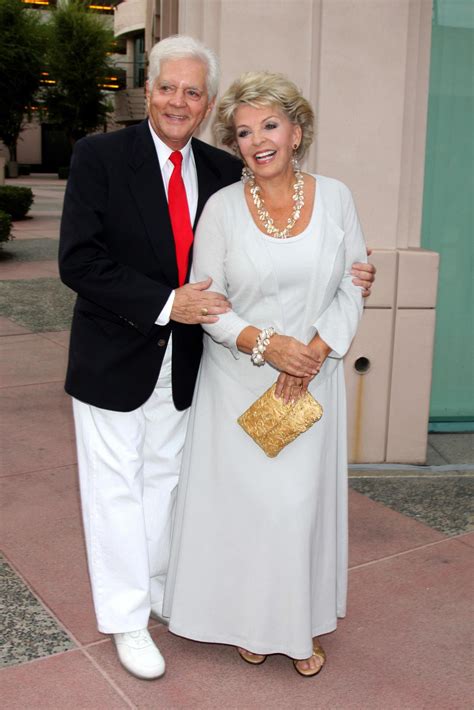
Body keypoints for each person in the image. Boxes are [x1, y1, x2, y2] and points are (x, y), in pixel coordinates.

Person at [59, 36, 375, 680]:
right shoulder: (99, 156)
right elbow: (79, 260)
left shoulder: (222, 168)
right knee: (115, 491)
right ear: (147, 90)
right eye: (168, 87)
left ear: (205, 106)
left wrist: (351, 282)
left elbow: (293, 253)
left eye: (193, 92)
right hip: (116, 352)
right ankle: (126, 621)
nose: (179, 101)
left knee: (166, 486)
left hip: (192, 364)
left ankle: (159, 589)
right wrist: (166, 303)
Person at [163, 70, 367, 677]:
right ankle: (252, 622)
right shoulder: (222, 208)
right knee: (251, 512)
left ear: (297, 131)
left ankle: (292, 628)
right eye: (244, 132)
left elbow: (355, 282)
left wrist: (313, 351)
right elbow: (209, 301)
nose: (257, 141)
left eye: (269, 125)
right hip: (238, 379)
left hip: (312, 378)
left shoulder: (337, 197)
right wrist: (269, 346)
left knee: (295, 509)